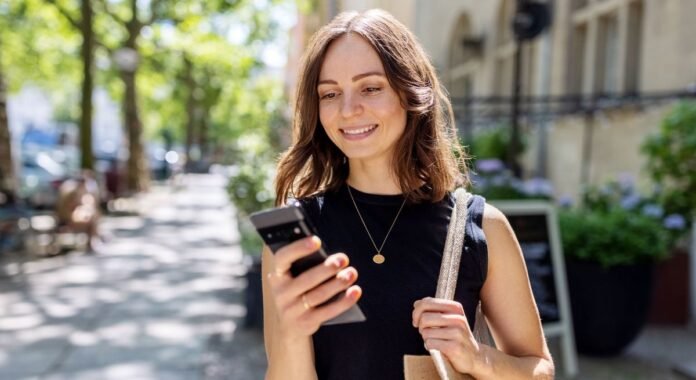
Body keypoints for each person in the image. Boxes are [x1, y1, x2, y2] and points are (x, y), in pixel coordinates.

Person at [262, 9, 554, 380]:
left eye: (370, 87)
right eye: (330, 93)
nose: (349, 110)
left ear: (411, 92)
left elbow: (540, 369)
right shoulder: (295, 234)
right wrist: (291, 332)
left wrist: (476, 357)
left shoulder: (481, 228)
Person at [56, 170, 101, 252]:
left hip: (68, 216)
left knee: (92, 216)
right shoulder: (72, 191)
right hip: (67, 219)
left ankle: (94, 239)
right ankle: (93, 241)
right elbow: (71, 208)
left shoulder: (73, 189)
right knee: (92, 218)